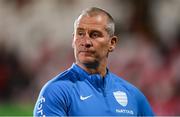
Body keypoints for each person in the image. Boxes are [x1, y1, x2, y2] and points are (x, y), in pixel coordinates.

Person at [33, 7, 154, 116]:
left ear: (112, 43)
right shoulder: (56, 92)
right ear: (73, 40)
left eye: (94, 35)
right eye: (80, 34)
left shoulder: (133, 96)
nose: (85, 42)